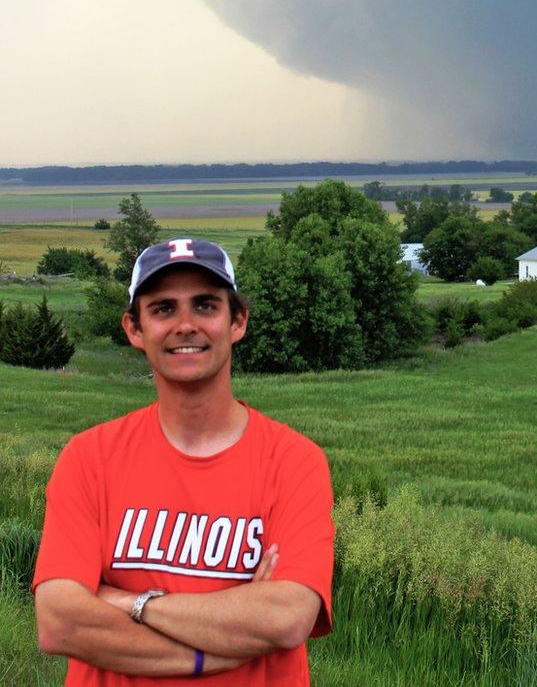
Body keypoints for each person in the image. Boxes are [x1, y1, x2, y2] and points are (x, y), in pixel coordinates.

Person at [33, 237, 334, 684]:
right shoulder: (89, 458)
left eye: (206, 305)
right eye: (163, 309)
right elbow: (61, 621)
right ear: (134, 329)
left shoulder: (294, 462)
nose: (186, 325)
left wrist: (127, 602)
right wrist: (217, 649)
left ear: (237, 322)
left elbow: (286, 618)